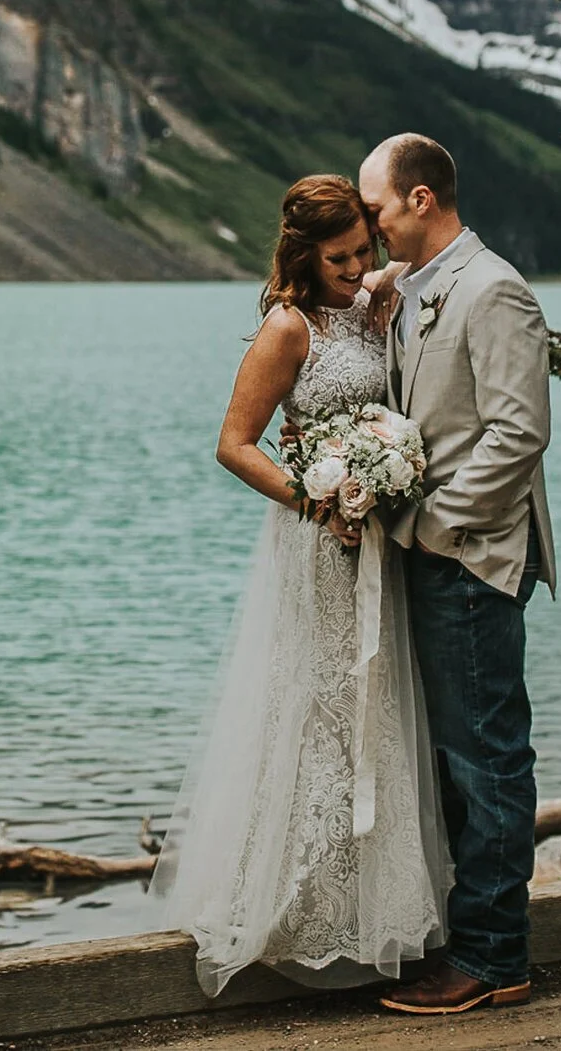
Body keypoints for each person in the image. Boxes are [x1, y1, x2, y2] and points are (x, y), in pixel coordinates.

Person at [153, 174, 451, 996]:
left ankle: (377, 914)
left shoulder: (368, 301)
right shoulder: (287, 329)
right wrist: (317, 500)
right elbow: (234, 443)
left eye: (363, 249)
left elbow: (414, 270)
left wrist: (383, 286)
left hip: (379, 548)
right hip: (320, 547)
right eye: (340, 258)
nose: (358, 266)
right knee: (317, 707)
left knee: (378, 707)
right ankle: (291, 910)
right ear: (303, 255)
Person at [357, 132, 555, 1016]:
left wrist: (436, 525)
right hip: (426, 559)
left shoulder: (494, 290)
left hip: (471, 559)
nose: (372, 231)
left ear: (422, 200)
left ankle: (494, 956)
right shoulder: (408, 288)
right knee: (449, 758)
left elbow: (518, 433)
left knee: (487, 760)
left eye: (378, 212)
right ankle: (462, 938)